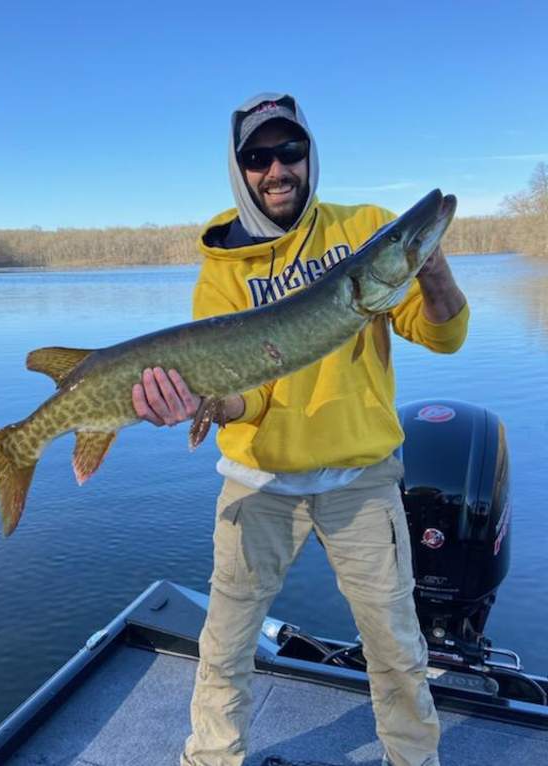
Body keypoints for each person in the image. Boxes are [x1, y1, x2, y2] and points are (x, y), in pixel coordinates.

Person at [131, 92, 468, 766]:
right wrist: (202, 402)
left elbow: (445, 334)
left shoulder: (367, 230)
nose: (277, 168)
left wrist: (430, 267)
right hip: (258, 482)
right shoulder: (222, 273)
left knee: (399, 651)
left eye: (290, 151)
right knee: (224, 647)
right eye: (259, 157)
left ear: (309, 155)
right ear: (241, 170)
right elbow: (244, 399)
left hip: (362, 479)